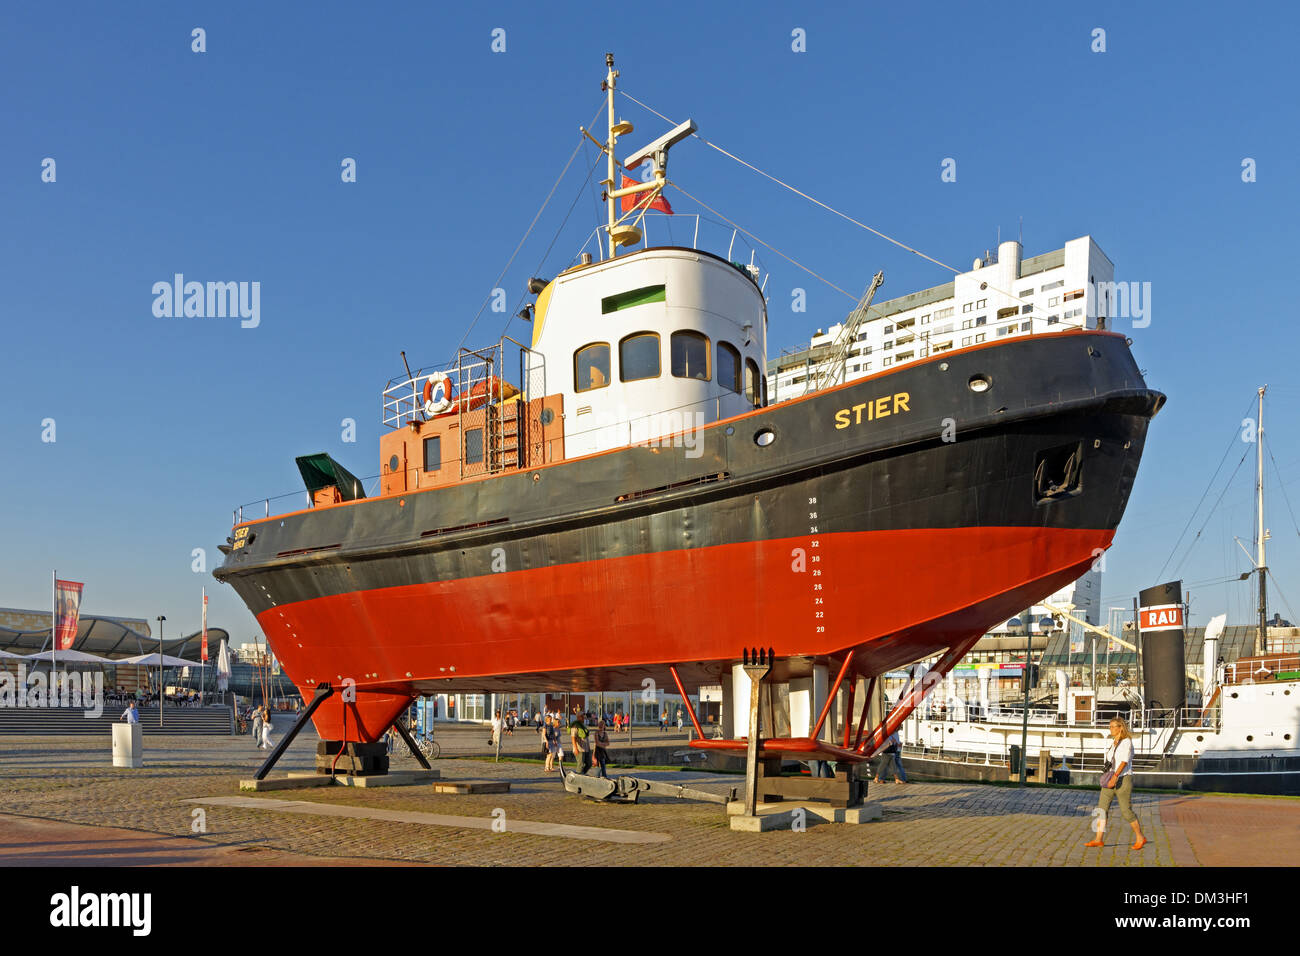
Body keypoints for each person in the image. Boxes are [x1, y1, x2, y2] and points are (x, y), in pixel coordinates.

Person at [1085, 717, 1147, 850]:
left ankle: (1140, 837)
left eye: (1114, 726)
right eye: (1110, 726)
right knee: (1101, 809)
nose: (1111, 728)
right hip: (1109, 779)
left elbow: (1124, 761)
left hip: (1123, 779)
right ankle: (1098, 839)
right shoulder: (1114, 742)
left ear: (1121, 727)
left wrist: (1115, 777)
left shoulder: (1126, 742)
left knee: (1126, 811)